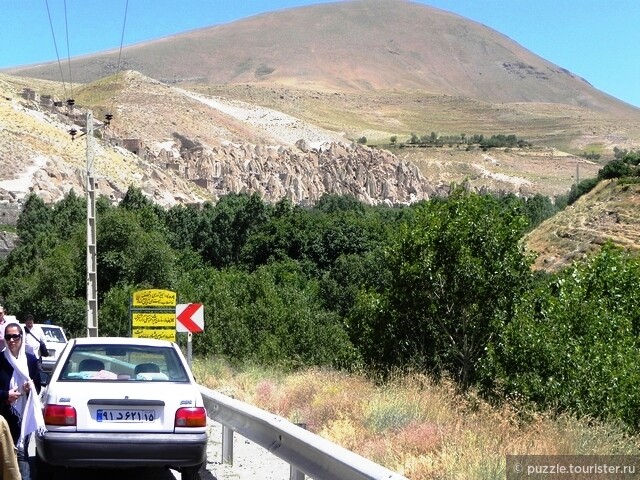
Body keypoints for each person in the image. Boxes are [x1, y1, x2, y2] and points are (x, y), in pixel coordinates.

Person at [0, 323, 46, 480]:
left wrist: (29, 388)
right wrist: (6, 394)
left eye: (15, 336)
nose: (12, 340)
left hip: (25, 415)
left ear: (21, 337)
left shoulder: (31, 361)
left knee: (21, 452)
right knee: (5, 453)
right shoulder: (0, 360)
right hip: (4, 416)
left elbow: (38, 387)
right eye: (8, 336)